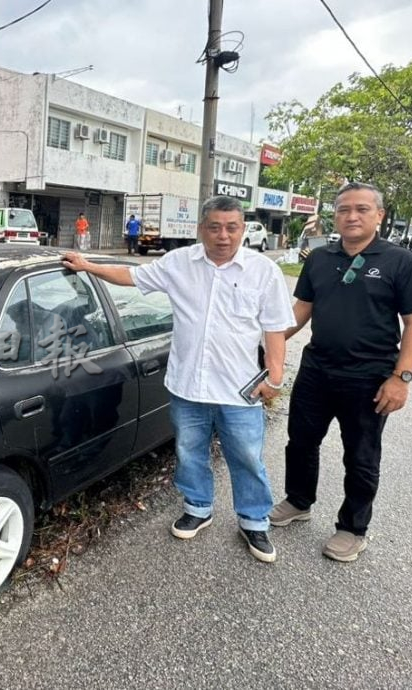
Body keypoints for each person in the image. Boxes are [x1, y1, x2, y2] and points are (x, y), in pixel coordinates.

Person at [62, 196, 295, 563]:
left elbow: (275, 328)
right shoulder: (179, 263)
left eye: (232, 227)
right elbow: (131, 277)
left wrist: (275, 377)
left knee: (247, 457)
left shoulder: (262, 271)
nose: (223, 235)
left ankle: (253, 521)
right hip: (188, 385)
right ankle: (198, 507)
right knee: (189, 451)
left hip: (240, 388)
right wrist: (88, 266)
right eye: (214, 227)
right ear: (201, 229)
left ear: (243, 230)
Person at [269, 182, 412, 562]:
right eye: (344, 209)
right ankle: (299, 501)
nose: (352, 216)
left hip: (370, 378)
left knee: (361, 455)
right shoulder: (319, 258)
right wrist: (266, 342)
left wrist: (401, 378)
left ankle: (353, 528)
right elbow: (301, 310)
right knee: (301, 442)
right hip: (316, 370)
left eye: (362, 209)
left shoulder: (400, 261)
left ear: (379, 215)